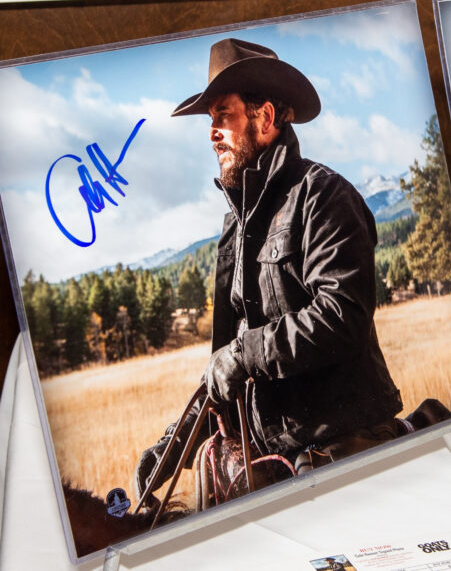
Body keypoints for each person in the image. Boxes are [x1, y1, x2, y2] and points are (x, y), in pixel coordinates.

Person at [134, 38, 404, 503]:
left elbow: (343, 316)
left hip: (343, 441)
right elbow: (225, 362)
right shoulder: (232, 230)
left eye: (223, 114)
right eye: (210, 119)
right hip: (271, 453)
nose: (212, 131)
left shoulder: (324, 196)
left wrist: (245, 354)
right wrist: (175, 442)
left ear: (265, 118)